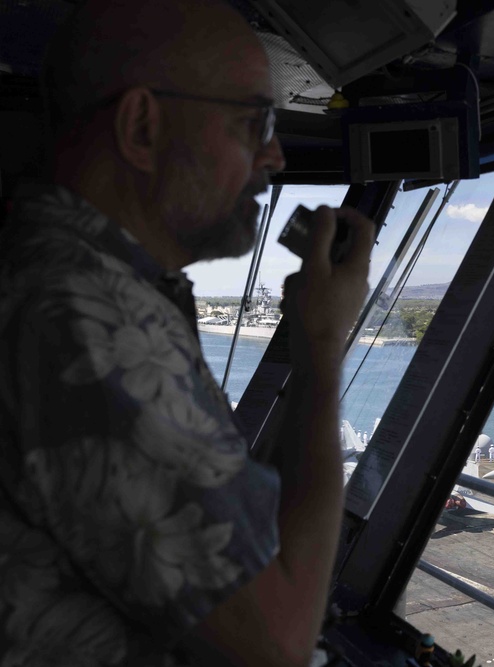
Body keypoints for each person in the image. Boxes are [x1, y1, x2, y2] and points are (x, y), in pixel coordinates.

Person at [0, 2, 374, 665]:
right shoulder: (80, 311)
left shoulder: (71, 275)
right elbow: (278, 642)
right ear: (142, 126)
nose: (276, 154)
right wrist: (320, 345)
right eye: (253, 121)